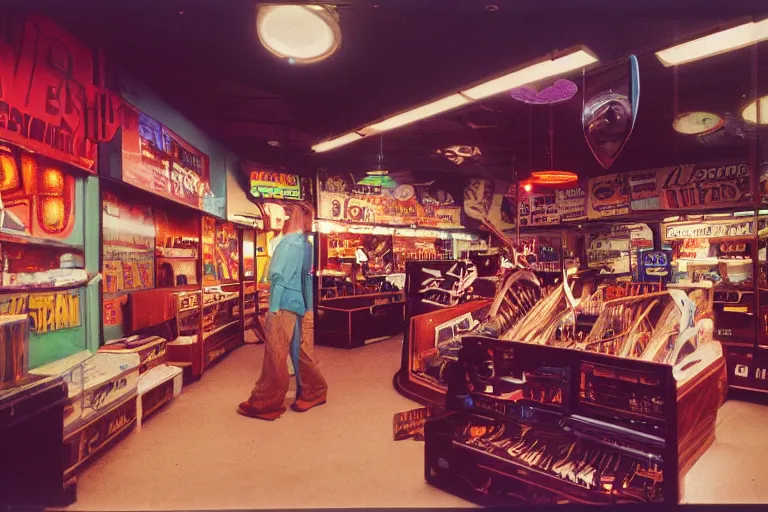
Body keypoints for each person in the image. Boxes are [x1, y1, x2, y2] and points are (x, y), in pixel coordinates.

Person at [238, 204, 328, 420]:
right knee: (301, 350)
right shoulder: (305, 244)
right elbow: (307, 277)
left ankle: (266, 402)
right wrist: (307, 308)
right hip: (299, 302)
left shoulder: (287, 242)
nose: (274, 214)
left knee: (275, 354)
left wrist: (274, 307)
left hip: (283, 303)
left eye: (283, 211)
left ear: (290, 216)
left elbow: (278, 277)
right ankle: (315, 390)